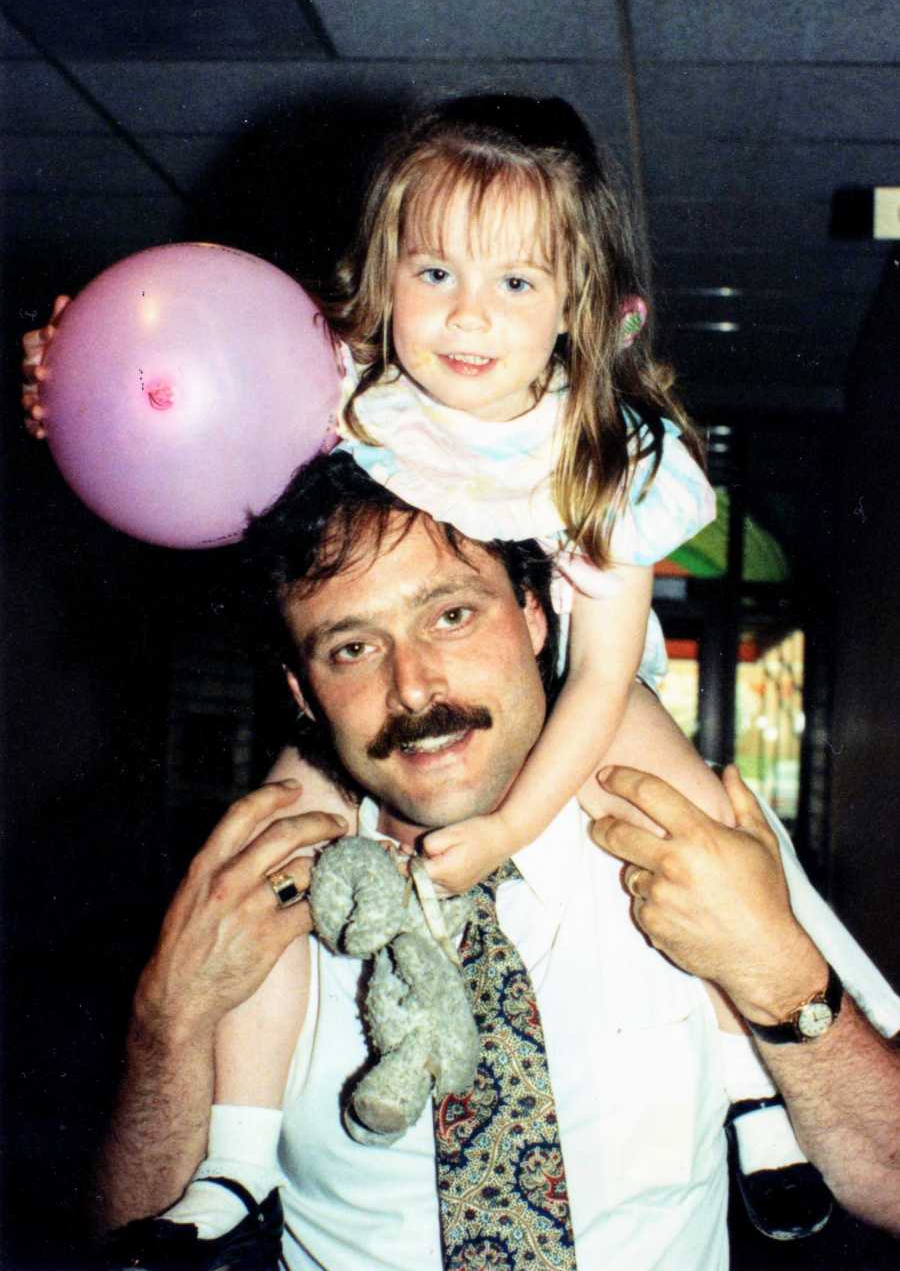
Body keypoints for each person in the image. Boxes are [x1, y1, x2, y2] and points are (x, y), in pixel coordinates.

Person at [23, 95, 814, 1240]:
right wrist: (75, 380)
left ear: (575, 312)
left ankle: (757, 1098)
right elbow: (177, 398)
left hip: (593, 684)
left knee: (691, 823)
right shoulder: (354, 400)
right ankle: (235, 1164)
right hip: (416, 736)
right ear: (382, 274)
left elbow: (595, 684)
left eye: (516, 284)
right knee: (271, 859)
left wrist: (504, 832)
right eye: (433, 272)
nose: (467, 317)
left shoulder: (605, 456)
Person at [96, 452, 900, 1271]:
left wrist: (780, 975)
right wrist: (165, 1024)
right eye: (351, 649)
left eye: (451, 616)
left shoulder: (687, 835)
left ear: (536, 614)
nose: (413, 687)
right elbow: (121, 1241)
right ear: (302, 692)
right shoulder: (257, 902)